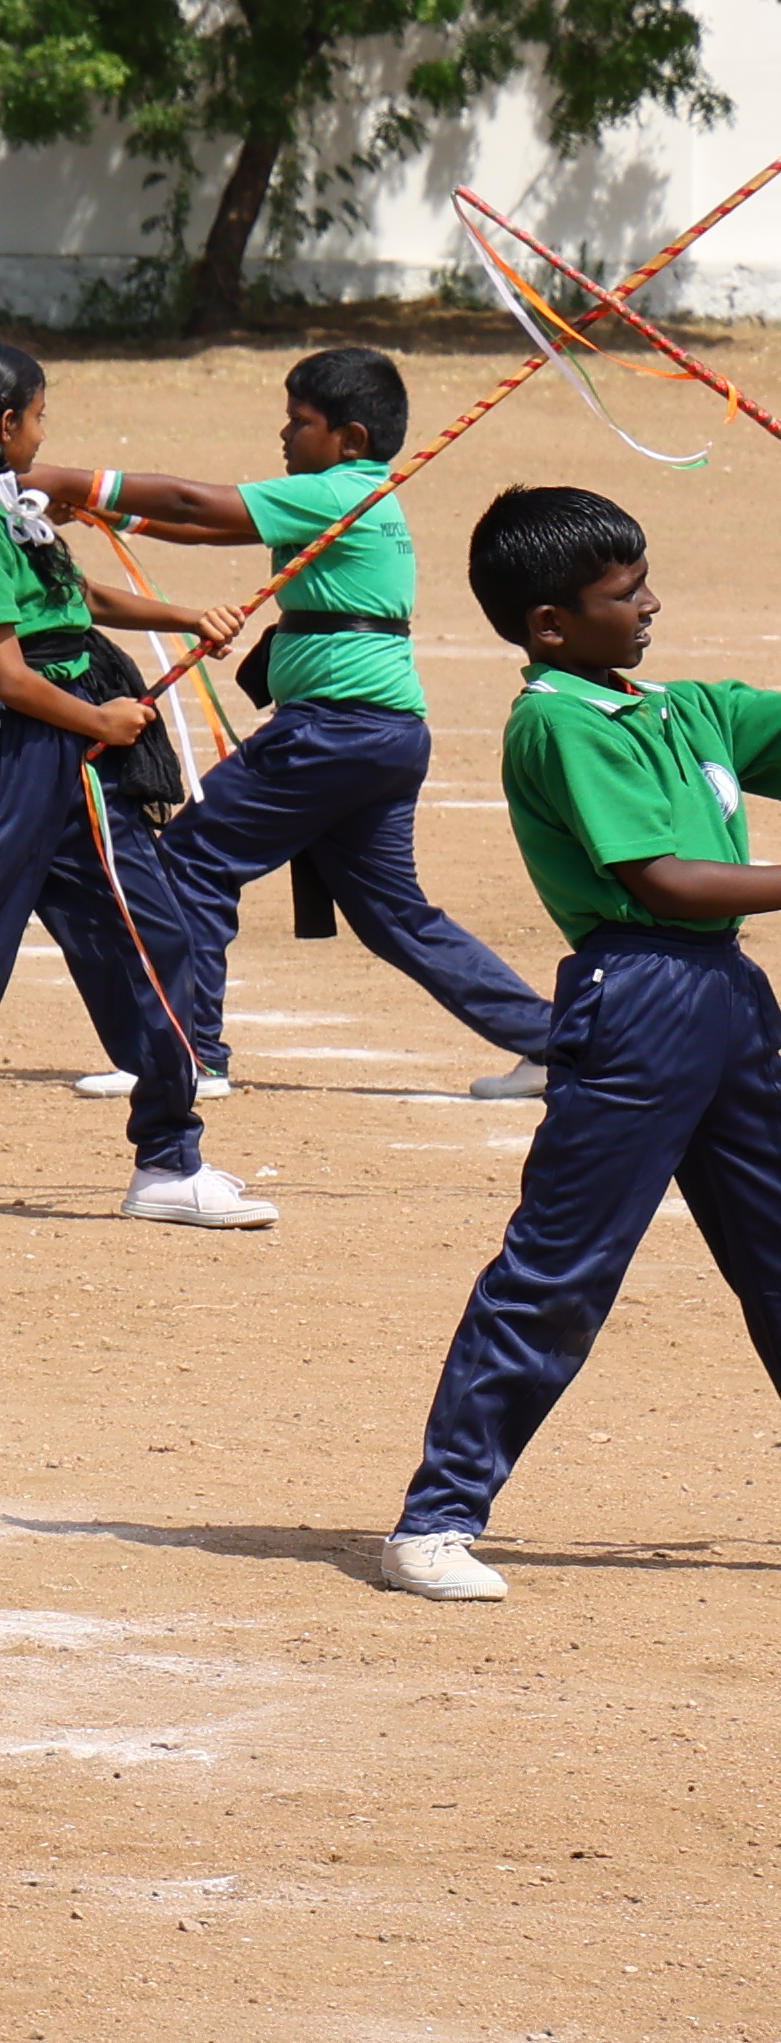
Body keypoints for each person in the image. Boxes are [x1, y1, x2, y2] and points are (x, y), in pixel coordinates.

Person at [373, 486, 781, 1601]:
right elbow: (667, 882)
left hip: (731, 1002)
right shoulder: (555, 721)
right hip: (639, 994)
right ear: (551, 623)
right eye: (624, 589)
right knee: (563, 1265)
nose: (651, 600)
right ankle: (438, 1517)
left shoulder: (682, 708)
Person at [0, 336, 279, 1234]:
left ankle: (168, 1160)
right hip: (18, 756)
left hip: (78, 754)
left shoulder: (7, 508)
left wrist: (187, 614)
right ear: (3, 424)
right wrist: (102, 724)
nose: (43, 434)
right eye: (38, 417)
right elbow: (9, 675)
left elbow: (76, 600)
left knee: (150, 937)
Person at [25, 347, 553, 1110]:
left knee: (190, 863)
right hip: (382, 733)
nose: (284, 432)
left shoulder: (338, 488)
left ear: (351, 437)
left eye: (299, 421)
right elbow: (208, 528)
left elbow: (199, 504)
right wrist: (107, 511)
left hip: (334, 730)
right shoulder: (347, 490)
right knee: (394, 915)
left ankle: (188, 1053)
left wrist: (72, 482)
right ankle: (552, 1041)